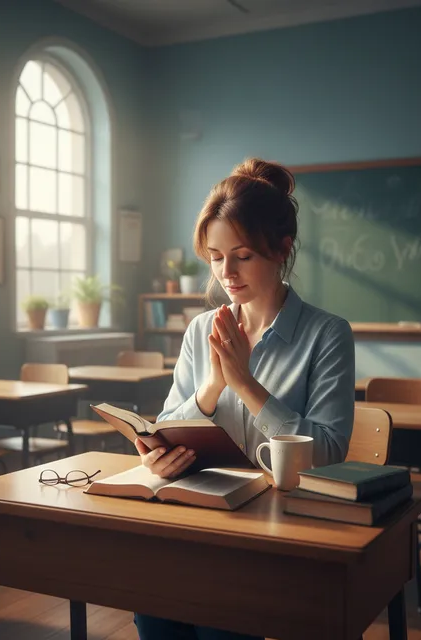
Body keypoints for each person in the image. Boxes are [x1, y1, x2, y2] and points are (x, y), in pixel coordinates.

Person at [133, 158, 355, 640]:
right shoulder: (200, 330)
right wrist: (207, 394)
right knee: (150, 607)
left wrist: (246, 383)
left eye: (242, 255)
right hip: (204, 523)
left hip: (284, 532)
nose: (226, 272)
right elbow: (169, 422)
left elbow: (329, 452)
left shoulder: (327, 334)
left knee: (221, 626)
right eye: (215, 256)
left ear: (281, 250)